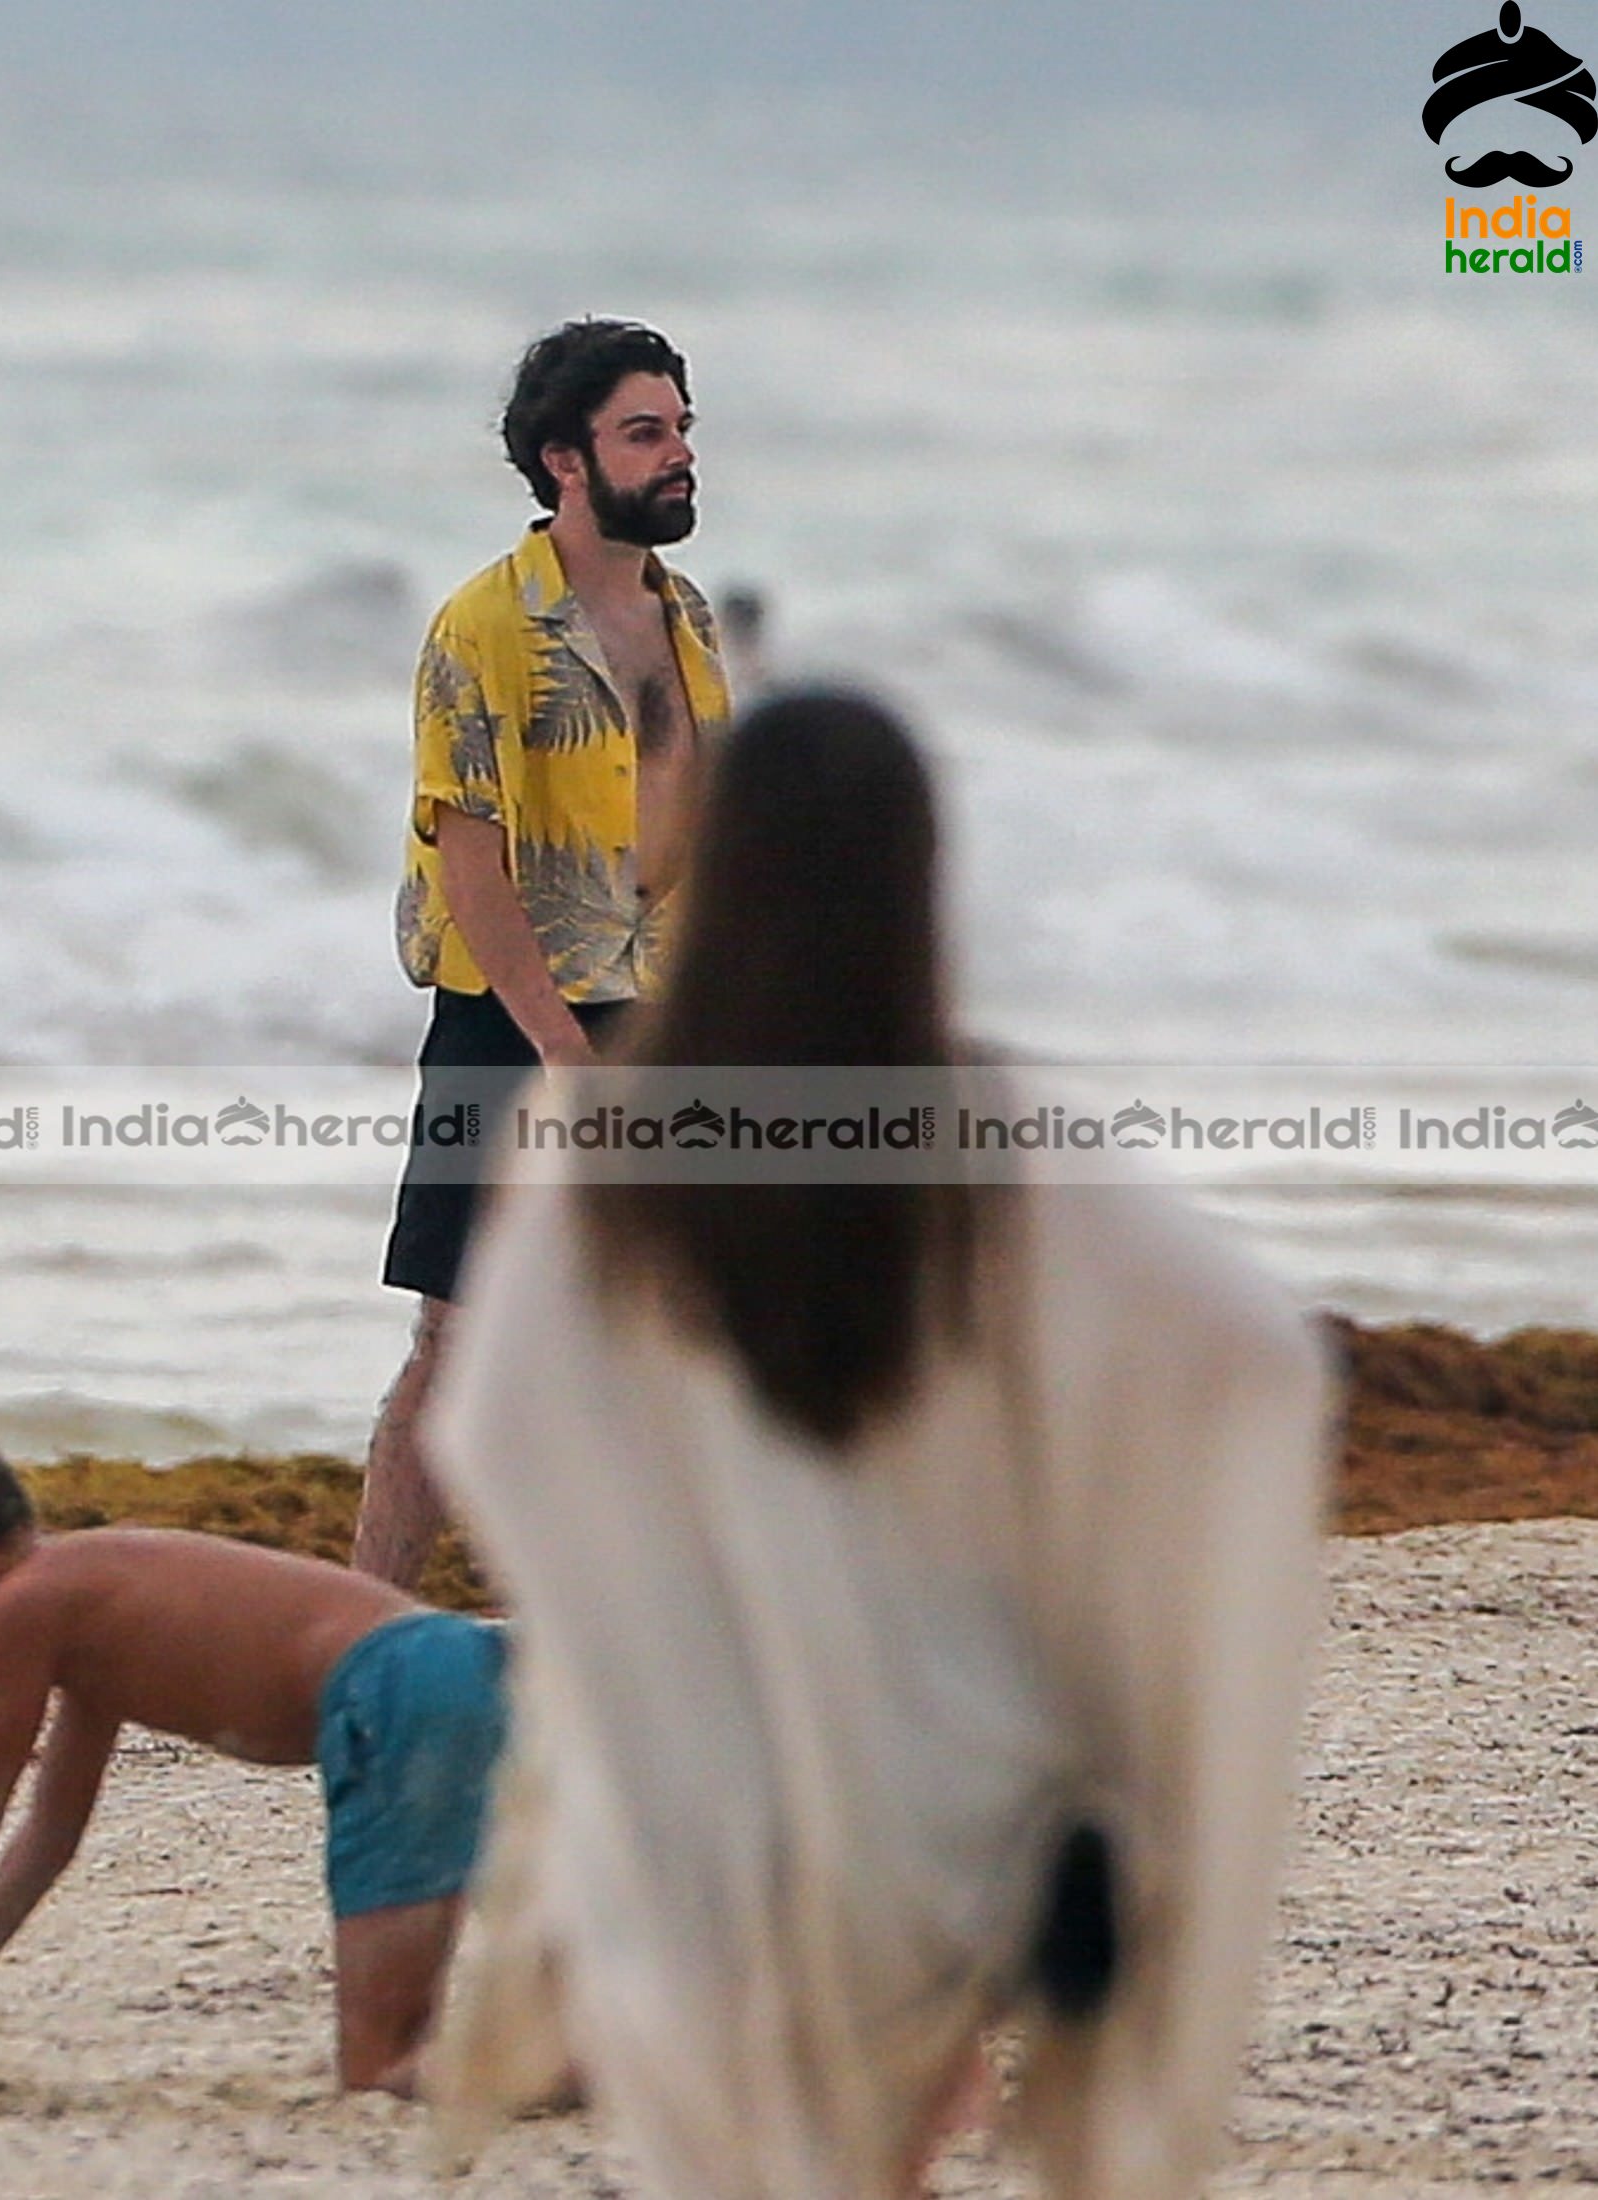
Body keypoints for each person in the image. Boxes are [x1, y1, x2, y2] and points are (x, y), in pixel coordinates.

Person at [416, 693, 1335, 2197]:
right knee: (880, 2149)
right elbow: (1249, 1348)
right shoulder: (996, 1137)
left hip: (702, 1775)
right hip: (957, 1779)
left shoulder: (610, 1149)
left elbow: (500, 1427)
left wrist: (642, 1596)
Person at [0, 1415, 509, 2093]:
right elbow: (45, 1843)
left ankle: (587, 2061)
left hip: (390, 1695)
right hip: (456, 1666)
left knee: (378, 2069)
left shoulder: (23, 1606)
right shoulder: (82, 1610)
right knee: (405, 2045)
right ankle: (580, 2048)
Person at [356, 317, 732, 1589]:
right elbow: (473, 865)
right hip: (510, 1027)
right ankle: (364, 1633)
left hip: (664, 1020)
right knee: (457, 1340)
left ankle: (661, 1629)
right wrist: (567, 1058)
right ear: (564, 461)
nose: (680, 453)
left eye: (681, 426)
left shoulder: (688, 620)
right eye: (647, 432)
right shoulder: (486, 628)